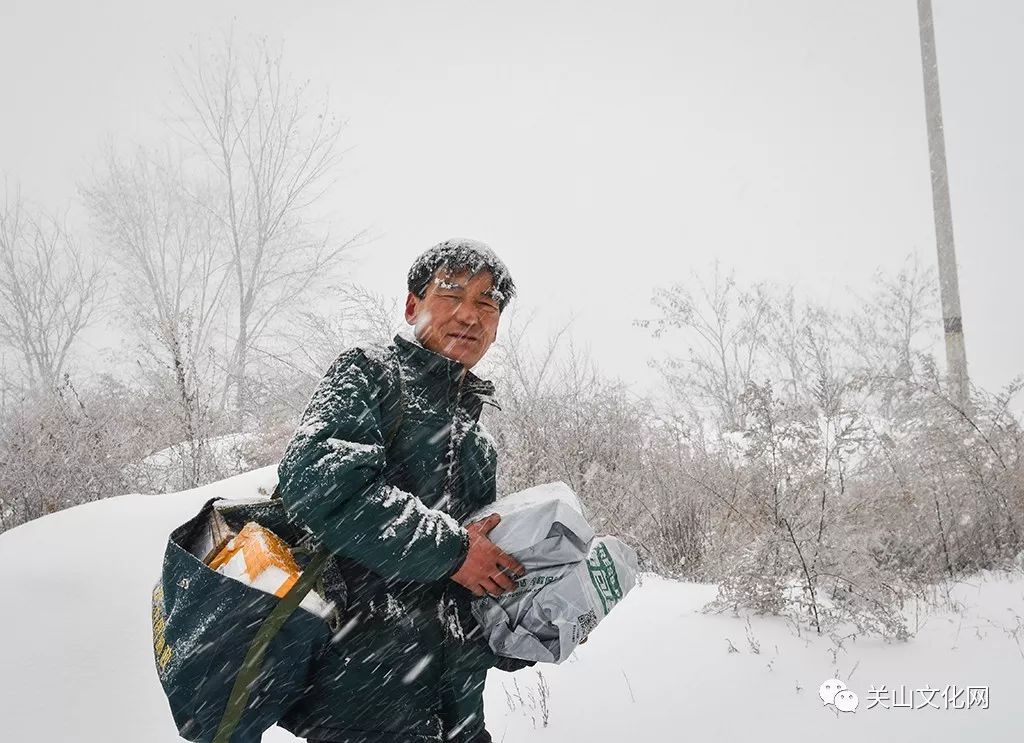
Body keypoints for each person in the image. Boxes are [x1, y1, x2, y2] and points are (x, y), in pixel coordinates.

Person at [275, 238, 533, 743]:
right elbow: (319, 486)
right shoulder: (368, 374)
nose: (469, 314)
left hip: (456, 714)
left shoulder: (476, 438)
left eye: (487, 302)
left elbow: (462, 586)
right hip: (363, 708)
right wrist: (455, 551)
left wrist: (522, 626)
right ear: (413, 305)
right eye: (452, 294)